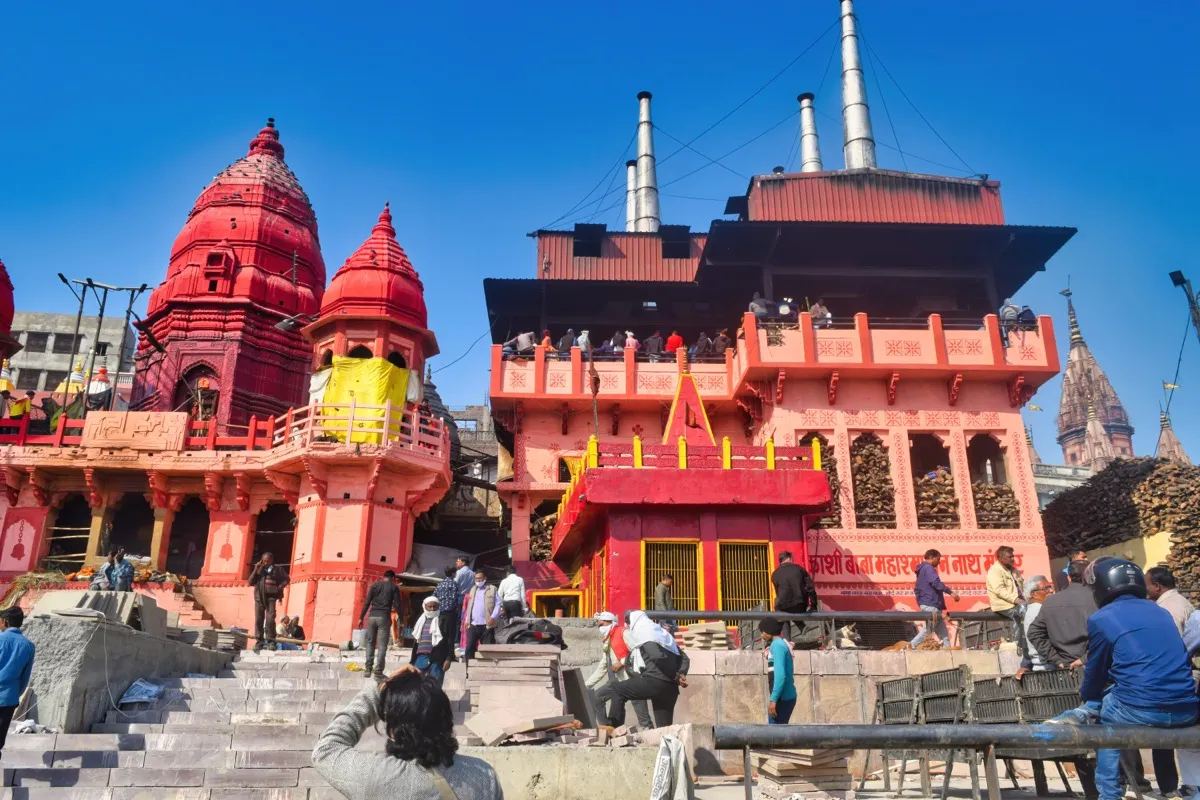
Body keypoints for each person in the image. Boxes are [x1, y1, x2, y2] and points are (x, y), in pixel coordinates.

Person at [1047, 558, 1198, 800]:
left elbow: (1096, 670)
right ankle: (1172, 788)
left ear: (1102, 587)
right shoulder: (1160, 612)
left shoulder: (1102, 618)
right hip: (1186, 710)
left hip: (1141, 709)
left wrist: (1089, 699)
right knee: (1116, 696)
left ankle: (1109, 794)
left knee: (1105, 713)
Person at [312, 665, 503, 799]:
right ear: (446, 721)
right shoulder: (485, 777)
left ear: (393, 732)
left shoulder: (375, 776)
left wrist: (378, 691)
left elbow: (325, 751)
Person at [596, 611, 690, 729]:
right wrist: (681, 674)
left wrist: (674, 675)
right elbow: (685, 658)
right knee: (664, 729)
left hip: (654, 681)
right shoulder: (664, 635)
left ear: (635, 622)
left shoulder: (645, 634)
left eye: (628, 623)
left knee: (617, 689)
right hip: (671, 688)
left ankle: (615, 729)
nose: (628, 627)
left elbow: (656, 656)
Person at [585, 611, 652, 729]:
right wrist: (586, 685)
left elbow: (638, 651)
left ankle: (649, 732)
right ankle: (608, 729)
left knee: (643, 717)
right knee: (598, 697)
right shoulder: (607, 641)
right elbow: (602, 667)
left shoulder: (623, 632)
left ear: (610, 622)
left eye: (602, 625)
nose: (600, 628)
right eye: (599, 626)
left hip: (633, 678)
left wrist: (622, 662)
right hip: (619, 680)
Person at [1027, 558, 1096, 670]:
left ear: (1068, 578)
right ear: (1090, 576)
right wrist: (1084, 659)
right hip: (1095, 667)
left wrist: (1057, 660)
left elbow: (1034, 633)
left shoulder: (1050, 601)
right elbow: (1108, 635)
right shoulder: (1097, 599)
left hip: (1066, 670)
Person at [0, 607, 35, 762]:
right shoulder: (28, 646)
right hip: (9, 699)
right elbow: (25, 677)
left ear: (5, 622)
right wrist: (15, 694)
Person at [910, 549, 960, 648]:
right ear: (932, 557)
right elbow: (936, 583)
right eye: (938, 559)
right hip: (931, 606)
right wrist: (951, 593)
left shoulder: (922, 570)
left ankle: (948, 652)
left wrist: (921, 603)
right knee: (927, 631)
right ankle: (908, 647)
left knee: (944, 635)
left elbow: (917, 590)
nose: (939, 562)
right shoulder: (928, 568)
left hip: (931, 606)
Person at [358, 570, 403, 679]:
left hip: (372, 617)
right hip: (384, 617)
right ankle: (378, 672)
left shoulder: (375, 586)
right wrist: (401, 619)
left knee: (370, 643)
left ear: (384, 576)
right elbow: (397, 604)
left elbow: (367, 602)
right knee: (382, 646)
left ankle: (368, 669)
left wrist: (361, 618)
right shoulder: (394, 587)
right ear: (393, 578)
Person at [986, 546, 1026, 656]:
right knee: (1022, 613)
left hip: (1018, 603)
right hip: (1005, 605)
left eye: (1013, 556)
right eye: (1010, 557)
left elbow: (1022, 587)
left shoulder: (1013, 570)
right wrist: (1016, 600)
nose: (1013, 559)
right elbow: (999, 591)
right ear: (1000, 558)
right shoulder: (995, 571)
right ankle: (1020, 645)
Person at [772, 551, 819, 641]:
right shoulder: (800, 569)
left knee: (782, 611)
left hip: (784, 606)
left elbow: (779, 593)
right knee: (789, 609)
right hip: (800, 604)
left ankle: (787, 639)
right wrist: (814, 606)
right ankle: (801, 626)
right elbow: (810, 588)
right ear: (789, 558)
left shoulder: (775, 574)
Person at [759, 618, 797, 725]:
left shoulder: (777, 646)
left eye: (763, 631)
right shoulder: (779, 644)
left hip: (782, 698)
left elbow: (780, 676)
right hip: (784, 697)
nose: (762, 635)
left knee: (775, 732)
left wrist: (773, 700)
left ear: (769, 631)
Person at [249, 552, 288, 652]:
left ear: (271, 560)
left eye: (267, 561)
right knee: (258, 620)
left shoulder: (278, 569)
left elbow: (286, 579)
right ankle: (259, 642)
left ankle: (271, 641)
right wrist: (255, 569)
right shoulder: (259, 570)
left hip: (271, 598)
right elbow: (250, 582)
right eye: (264, 561)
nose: (266, 563)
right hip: (259, 598)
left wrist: (280, 587)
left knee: (270, 620)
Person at [411, 597, 453, 686]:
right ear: (424, 606)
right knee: (416, 686)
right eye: (429, 607)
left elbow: (450, 640)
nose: (432, 609)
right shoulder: (420, 620)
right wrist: (412, 661)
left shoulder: (444, 619)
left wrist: (448, 658)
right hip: (420, 658)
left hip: (437, 659)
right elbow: (416, 641)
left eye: (435, 606)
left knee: (435, 687)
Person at [463, 570, 500, 661]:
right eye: (476, 579)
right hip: (473, 624)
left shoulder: (492, 589)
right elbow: (469, 606)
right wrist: (467, 620)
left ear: (485, 578)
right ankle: (469, 667)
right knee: (469, 648)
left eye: (480, 578)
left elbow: (498, 604)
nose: (478, 581)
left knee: (487, 649)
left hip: (487, 624)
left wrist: (493, 617)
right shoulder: (472, 589)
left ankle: (486, 667)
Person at [1147, 566, 1194, 635]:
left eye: (1146, 585)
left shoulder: (1167, 609)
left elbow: (1174, 638)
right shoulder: (1179, 600)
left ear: (1156, 586)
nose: (1144, 589)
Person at [1019, 575, 1053, 673]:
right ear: (1034, 594)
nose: (1051, 591)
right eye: (1046, 588)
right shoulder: (1040, 610)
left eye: (1051, 587)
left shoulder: (1030, 611)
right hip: (1050, 668)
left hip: (1042, 667)